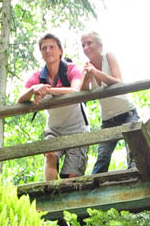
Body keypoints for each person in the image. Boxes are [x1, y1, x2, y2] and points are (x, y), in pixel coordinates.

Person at [19, 32, 88, 182]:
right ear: (41, 54)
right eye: (44, 48)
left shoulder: (71, 69)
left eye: (52, 47)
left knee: (70, 176)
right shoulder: (38, 76)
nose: (48, 51)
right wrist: (33, 90)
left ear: (60, 51)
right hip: (54, 128)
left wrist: (47, 90)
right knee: (50, 154)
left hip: (77, 128)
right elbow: (20, 99)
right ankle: (49, 192)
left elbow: (75, 90)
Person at [79, 30, 137, 175]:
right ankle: (94, 187)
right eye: (83, 45)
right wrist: (87, 77)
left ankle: (135, 178)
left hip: (127, 113)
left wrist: (97, 73)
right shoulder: (86, 67)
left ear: (99, 44)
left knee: (134, 153)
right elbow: (83, 94)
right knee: (103, 157)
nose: (86, 48)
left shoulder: (109, 57)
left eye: (89, 43)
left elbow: (118, 81)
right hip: (108, 119)